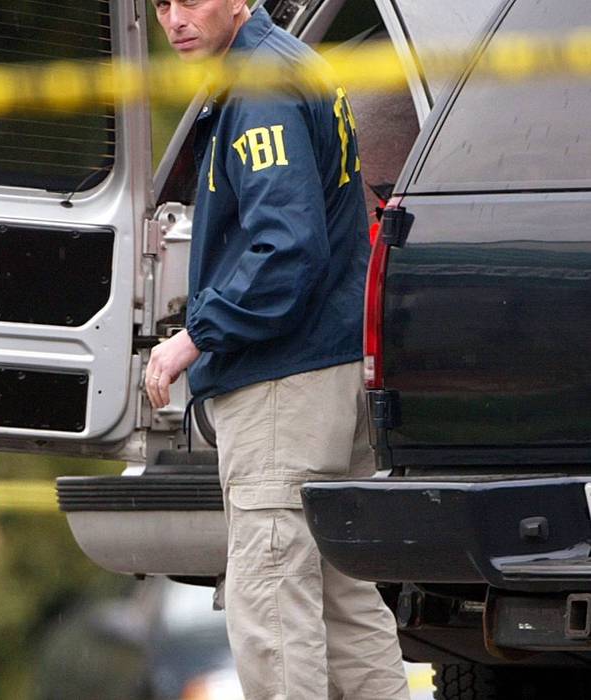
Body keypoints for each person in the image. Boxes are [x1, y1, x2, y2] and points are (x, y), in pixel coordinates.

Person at [144, 1, 408, 698]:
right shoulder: (291, 65)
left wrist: (194, 339)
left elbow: (281, 247)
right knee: (343, 603)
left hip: (281, 386)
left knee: (273, 604)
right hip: (333, 367)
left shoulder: (259, 88)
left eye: (190, 0)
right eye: (161, 3)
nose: (173, 18)